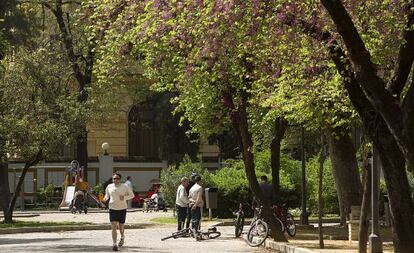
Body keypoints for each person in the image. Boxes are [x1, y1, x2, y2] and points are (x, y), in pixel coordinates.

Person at [104, 172, 134, 251]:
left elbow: (132, 195)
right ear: (112, 179)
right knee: (113, 226)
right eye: (114, 179)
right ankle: (114, 244)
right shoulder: (109, 186)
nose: (115, 180)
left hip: (122, 209)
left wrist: (124, 197)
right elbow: (107, 195)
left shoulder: (125, 186)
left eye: (117, 178)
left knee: (121, 227)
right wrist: (105, 199)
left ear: (120, 179)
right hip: (112, 208)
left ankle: (122, 237)